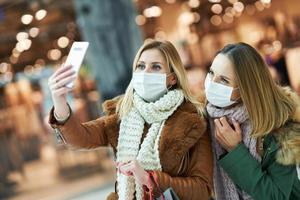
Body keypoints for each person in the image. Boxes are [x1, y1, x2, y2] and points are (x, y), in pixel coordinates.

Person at [48, 40, 213, 200]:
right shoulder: (122, 113)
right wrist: (60, 101)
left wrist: (150, 179)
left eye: (155, 67)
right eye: (140, 66)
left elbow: (202, 189)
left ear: (173, 78)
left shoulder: (193, 119)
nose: (145, 72)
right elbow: (81, 138)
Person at [204, 42, 300, 200]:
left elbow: (277, 197)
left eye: (223, 80)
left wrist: (236, 151)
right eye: (211, 72)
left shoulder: (280, 125)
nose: (211, 83)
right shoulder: (203, 118)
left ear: (245, 89)